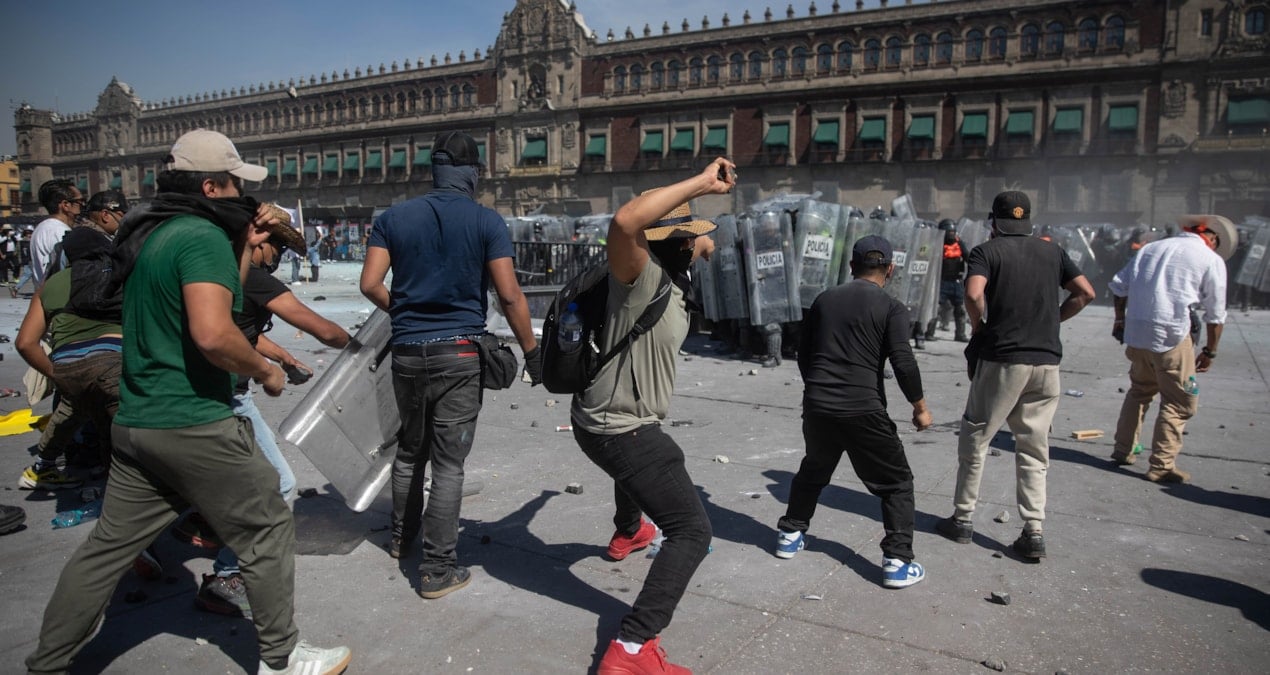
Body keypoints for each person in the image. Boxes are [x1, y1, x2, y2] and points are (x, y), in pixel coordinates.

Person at [25, 129, 350, 675]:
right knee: (269, 522)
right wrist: (266, 370)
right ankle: (281, 658)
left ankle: (46, 664)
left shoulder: (152, 234)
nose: (243, 195)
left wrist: (243, 246)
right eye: (234, 184)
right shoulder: (200, 236)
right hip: (191, 417)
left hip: (138, 419)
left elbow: (222, 299)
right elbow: (214, 333)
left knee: (105, 551)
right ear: (210, 187)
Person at [360, 130, 542, 599]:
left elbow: (370, 284)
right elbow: (509, 296)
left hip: (407, 352)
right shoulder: (486, 221)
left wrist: (406, 313)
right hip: (460, 355)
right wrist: (532, 353)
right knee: (448, 465)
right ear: (473, 173)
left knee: (409, 450)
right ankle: (437, 570)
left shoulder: (394, 218)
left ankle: (401, 539)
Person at [570, 159, 732, 674]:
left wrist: (701, 234)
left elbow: (704, 243)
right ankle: (632, 647)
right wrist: (704, 183)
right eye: (686, 238)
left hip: (616, 419)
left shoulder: (673, 272)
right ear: (668, 242)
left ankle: (628, 531)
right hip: (619, 426)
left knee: (645, 466)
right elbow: (624, 222)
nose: (695, 244)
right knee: (691, 531)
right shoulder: (638, 275)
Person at [194, 207, 350, 619]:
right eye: (277, 248)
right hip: (228, 396)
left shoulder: (216, 275)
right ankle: (228, 575)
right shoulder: (257, 280)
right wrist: (357, 344)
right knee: (278, 484)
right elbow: (320, 328)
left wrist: (284, 357)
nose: (278, 258)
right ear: (258, 241)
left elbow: (239, 334)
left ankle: (198, 523)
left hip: (204, 392)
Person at [934, 191, 1094, 561]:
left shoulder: (986, 252)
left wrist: (980, 328)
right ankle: (1034, 530)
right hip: (1046, 363)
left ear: (994, 222)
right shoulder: (1053, 252)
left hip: (1003, 360)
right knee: (1034, 447)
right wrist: (1053, 319)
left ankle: (962, 518)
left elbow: (973, 294)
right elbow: (1085, 292)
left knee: (976, 437)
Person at [775, 235, 933, 589]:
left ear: (851, 266)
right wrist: (920, 407)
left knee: (814, 468)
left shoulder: (824, 299)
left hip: (818, 406)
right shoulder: (892, 307)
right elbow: (903, 361)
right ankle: (897, 562)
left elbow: (803, 353)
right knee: (897, 483)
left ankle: (789, 535)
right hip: (864, 409)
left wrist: (817, 389)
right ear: (890, 269)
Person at [1107, 215, 1236, 483]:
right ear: (1213, 238)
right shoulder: (1210, 259)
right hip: (1171, 334)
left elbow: (1118, 286)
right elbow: (1216, 315)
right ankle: (1162, 465)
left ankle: (1123, 449)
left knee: (1140, 391)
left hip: (1137, 333)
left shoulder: (1151, 248)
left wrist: (1120, 320)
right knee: (1179, 401)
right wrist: (1210, 352)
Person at [14, 228, 123, 491]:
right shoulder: (118, 275)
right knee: (124, 429)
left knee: (74, 409)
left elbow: (25, 343)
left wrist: (55, 373)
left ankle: (42, 467)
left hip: (68, 365)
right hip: (114, 361)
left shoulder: (50, 285)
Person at [925, 219, 970, 343]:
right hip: (942, 282)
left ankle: (960, 334)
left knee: (960, 310)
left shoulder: (959, 243)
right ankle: (929, 333)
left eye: (953, 232)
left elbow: (968, 257)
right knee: (936, 309)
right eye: (949, 232)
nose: (951, 235)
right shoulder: (938, 244)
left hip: (956, 282)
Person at [31, 179, 82, 285]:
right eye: (79, 202)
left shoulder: (42, 228)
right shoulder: (60, 232)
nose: (82, 206)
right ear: (65, 205)